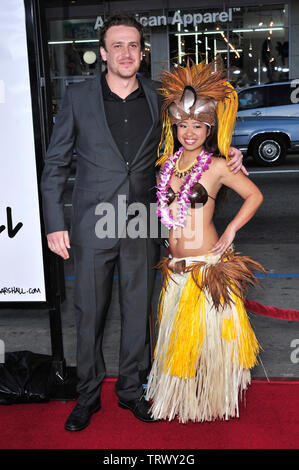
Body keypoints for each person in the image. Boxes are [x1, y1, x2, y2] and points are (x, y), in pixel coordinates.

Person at [40, 14, 245, 431]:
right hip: (93, 222)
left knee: (138, 313)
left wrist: (231, 153)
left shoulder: (159, 95)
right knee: (90, 312)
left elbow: (196, 132)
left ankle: (132, 390)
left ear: (141, 51)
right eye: (117, 45)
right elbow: (56, 163)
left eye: (133, 45)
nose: (126, 53)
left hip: (142, 220)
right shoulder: (78, 98)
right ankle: (88, 395)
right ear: (102, 53)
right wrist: (53, 221)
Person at [145, 59, 265, 423]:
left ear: (209, 127)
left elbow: (255, 195)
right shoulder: (167, 163)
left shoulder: (217, 166)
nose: (190, 132)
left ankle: (212, 401)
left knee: (212, 345)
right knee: (179, 344)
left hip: (206, 269)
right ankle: (182, 401)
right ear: (175, 126)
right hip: (176, 269)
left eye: (198, 125)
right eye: (183, 125)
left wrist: (230, 232)